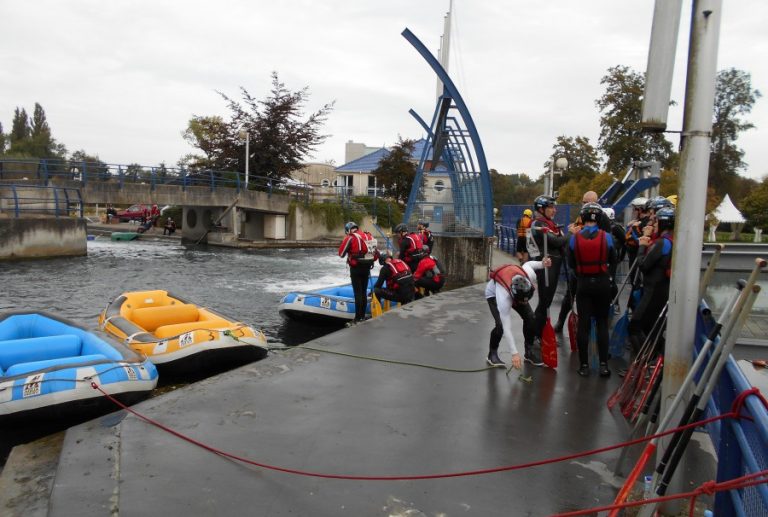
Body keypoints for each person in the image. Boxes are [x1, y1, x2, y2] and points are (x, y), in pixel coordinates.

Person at [566, 202, 617, 377]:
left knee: (584, 325)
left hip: (584, 284)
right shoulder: (607, 237)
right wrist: (609, 277)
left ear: (583, 217)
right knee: (602, 323)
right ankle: (603, 365)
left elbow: (571, 264)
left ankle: (584, 366)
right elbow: (614, 260)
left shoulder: (574, 238)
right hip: (602, 283)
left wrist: (581, 275)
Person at [485, 257, 552, 368]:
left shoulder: (528, 275)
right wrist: (514, 353)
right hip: (494, 294)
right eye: (522, 301)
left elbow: (529, 264)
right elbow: (507, 328)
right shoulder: (504, 298)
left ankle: (529, 352)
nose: (525, 303)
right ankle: (492, 354)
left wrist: (542, 263)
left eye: (527, 300)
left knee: (531, 318)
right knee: (500, 326)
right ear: (515, 296)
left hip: (517, 292)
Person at [628, 207, 675, 356]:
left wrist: (642, 246)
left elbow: (643, 265)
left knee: (635, 327)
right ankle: (655, 359)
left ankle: (645, 361)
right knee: (651, 330)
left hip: (654, 291)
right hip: (662, 289)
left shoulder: (662, 243)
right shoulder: (670, 240)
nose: (653, 224)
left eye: (656, 221)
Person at [529, 196, 568, 340]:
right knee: (545, 302)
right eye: (551, 207)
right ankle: (535, 334)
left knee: (546, 302)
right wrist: (571, 234)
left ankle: (538, 333)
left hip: (554, 265)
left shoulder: (549, 223)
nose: (554, 210)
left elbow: (559, 242)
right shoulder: (538, 224)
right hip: (546, 267)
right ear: (541, 209)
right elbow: (556, 242)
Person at [338, 221, 378, 324]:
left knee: (358, 293)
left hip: (356, 268)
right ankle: (362, 317)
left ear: (348, 230)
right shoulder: (368, 235)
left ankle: (357, 318)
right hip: (367, 267)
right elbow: (375, 253)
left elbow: (341, 254)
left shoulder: (350, 237)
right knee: (363, 292)